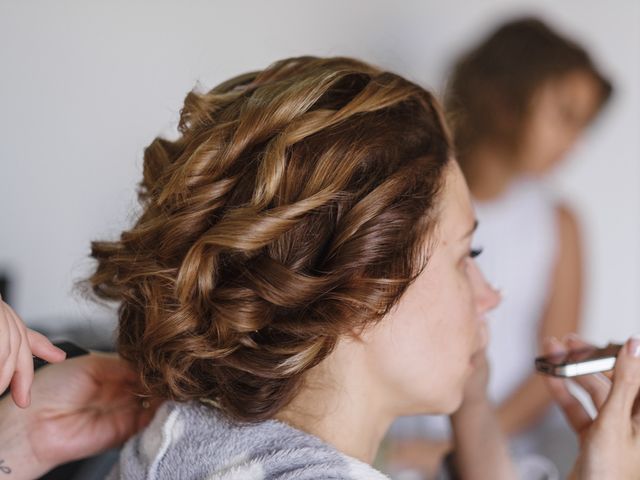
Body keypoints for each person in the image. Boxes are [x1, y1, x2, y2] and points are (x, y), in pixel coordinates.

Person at [1, 56, 639, 480]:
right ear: (363, 286)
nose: (491, 295)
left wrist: (472, 413)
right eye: (465, 257)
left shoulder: (189, 434)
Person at [387, 17, 612, 477]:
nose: (574, 142)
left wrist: (464, 440)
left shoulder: (559, 225)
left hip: (503, 448)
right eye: (564, 115)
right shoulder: (409, 195)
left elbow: (549, 363)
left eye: (583, 124)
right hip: (396, 439)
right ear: (507, 98)